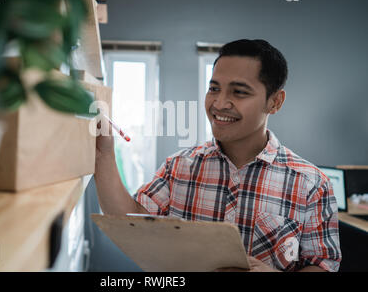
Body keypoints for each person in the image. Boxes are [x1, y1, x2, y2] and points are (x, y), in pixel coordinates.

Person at [94, 39, 341, 272]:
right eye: (214, 88)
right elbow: (130, 221)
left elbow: (323, 263)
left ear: (275, 102)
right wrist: (105, 153)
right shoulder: (178, 167)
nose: (220, 103)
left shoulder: (312, 184)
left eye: (239, 92)